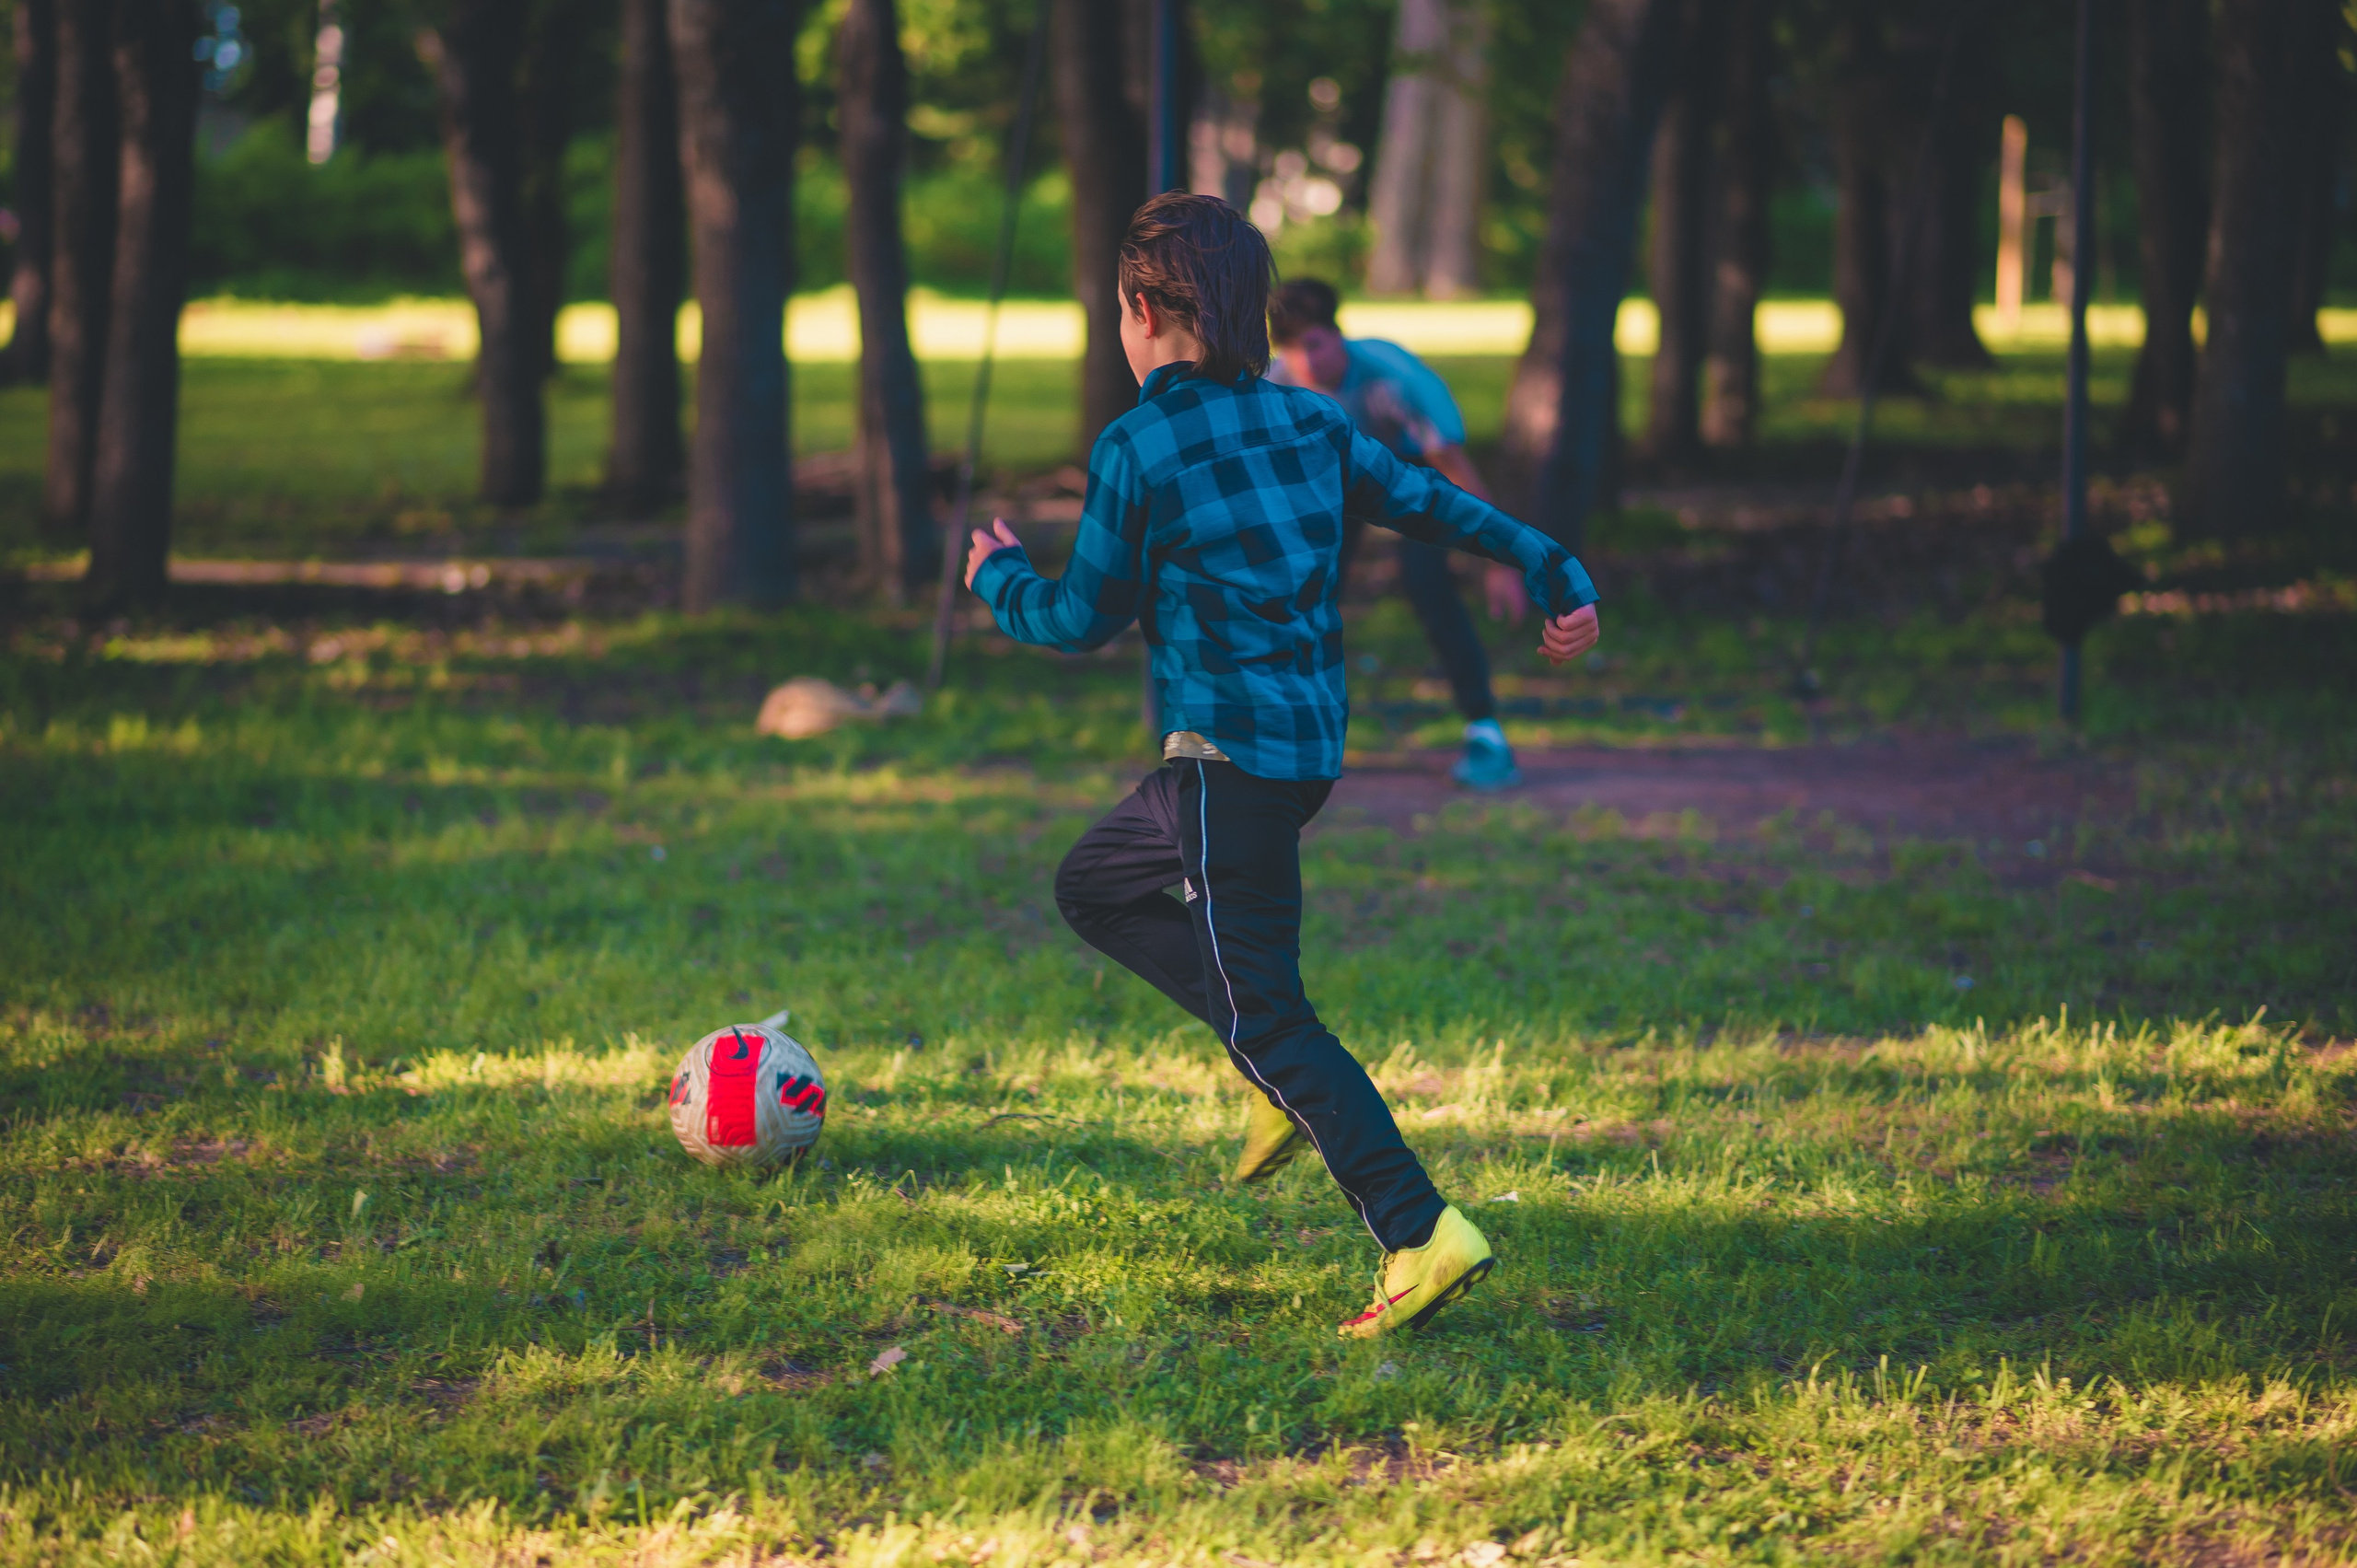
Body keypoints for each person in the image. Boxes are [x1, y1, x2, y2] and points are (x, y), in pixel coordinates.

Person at [962, 193, 1602, 1339]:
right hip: (1296, 757)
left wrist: (995, 577)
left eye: (1121, 309)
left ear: (1144, 310)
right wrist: (1550, 561)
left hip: (1226, 765)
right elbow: (1431, 501)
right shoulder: (1310, 420)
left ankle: (1417, 1228)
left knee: (1271, 1013)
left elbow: (1074, 619)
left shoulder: (1138, 445)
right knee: (1094, 883)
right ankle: (1267, 1073)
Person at [1267, 278, 1530, 790]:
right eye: (1292, 348)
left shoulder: (1393, 380)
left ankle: (1485, 732)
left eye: (1314, 344)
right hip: (1337, 477)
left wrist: (1500, 561)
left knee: (1425, 582)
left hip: (1410, 468)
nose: (1306, 361)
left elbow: (1455, 472)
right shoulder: (1277, 386)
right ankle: (1293, 735)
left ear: (1338, 335)